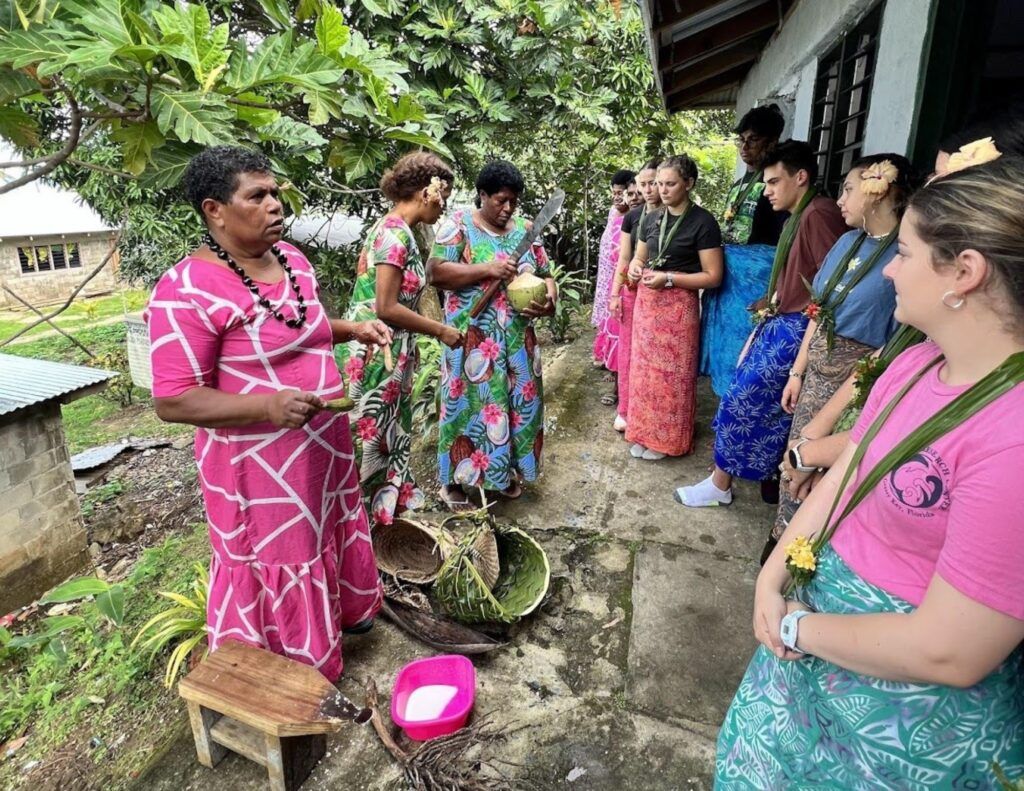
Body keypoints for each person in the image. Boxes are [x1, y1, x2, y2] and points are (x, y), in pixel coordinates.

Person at [716, 155, 1024, 789]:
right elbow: (848, 474)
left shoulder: (1010, 434)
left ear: (964, 273)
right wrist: (771, 581)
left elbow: (951, 649)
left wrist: (797, 624)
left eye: (905, 254)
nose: (889, 269)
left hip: (906, 711)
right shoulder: (916, 365)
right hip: (814, 640)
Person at [145, 146, 389, 681]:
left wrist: (353, 328)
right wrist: (267, 406)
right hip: (259, 468)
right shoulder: (184, 289)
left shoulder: (293, 261)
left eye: (275, 192)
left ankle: (346, 612)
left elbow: (305, 322)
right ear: (215, 210)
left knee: (328, 528)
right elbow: (173, 399)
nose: (275, 204)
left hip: (321, 449)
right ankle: (295, 662)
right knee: (283, 551)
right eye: (257, 195)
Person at [676, 140, 846, 506]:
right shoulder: (803, 213)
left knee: (742, 401)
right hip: (783, 317)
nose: (766, 191)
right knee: (757, 403)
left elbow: (830, 287)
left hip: (798, 327)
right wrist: (773, 300)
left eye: (772, 182)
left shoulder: (818, 214)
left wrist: (800, 359)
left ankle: (721, 485)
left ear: (800, 177)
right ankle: (750, 480)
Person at [769, 154, 913, 553]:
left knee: (828, 478)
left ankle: (804, 558)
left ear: (877, 191)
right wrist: (797, 372)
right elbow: (818, 310)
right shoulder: (848, 242)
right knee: (795, 462)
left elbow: (894, 342)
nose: (840, 200)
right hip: (816, 371)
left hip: (859, 380)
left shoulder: (903, 256)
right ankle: (779, 545)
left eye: (848, 190)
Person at [336, 153, 464, 526]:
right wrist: (439, 330)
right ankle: (362, 518)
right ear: (428, 192)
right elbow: (386, 307)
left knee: (387, 429)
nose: (445, 206)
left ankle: (384, 509)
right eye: (445, 196)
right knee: (371, 430)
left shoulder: (401, 231)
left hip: (390, 349)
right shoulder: (393, 236)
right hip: (375, 350)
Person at [428, 160, 556, 509]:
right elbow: (436, 273)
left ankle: (502, 476)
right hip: (470, 341)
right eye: (500, 200)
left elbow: (546, 276)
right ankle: (454, 483)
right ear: (482, 195)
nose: (508, 208)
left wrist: (549, 302)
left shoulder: (527, 230)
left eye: (513, 200)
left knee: (516, 409)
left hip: (516, 343)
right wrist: (488, 268)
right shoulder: (458, 226)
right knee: (465, 410)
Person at [623, 155, 723, 459]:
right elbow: (639, 257)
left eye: (670, 184)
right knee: (645, 374)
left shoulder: (703, 222)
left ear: (689, 184)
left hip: (678, 307)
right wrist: (634, 269)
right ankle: (643, 433)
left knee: (671, 377)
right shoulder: (650, 218)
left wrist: (669, 278)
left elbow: (713, 276)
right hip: (648, 304)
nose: (662, 190)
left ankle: (667, 441)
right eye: (658, 184)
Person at [700, 104, 788, 396]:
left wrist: (775, 292)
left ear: (772, 142)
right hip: (729, 283)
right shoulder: (740, 184)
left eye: (753, 139)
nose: (745, 146)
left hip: (758, 282)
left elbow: (784, 244)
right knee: (725, 346)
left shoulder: (777, 187)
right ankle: (725, 402)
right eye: (742, 140)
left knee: (749, 349)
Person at [608, 157, 662, 433]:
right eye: (643, 183)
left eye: (654, 183)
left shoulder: (673, 215)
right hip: (632, 290)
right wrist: (615, 293)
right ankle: (626, 409)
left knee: (652, 356)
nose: (648, 189)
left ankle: (649, 413)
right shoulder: (632, 216)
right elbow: (624, 259)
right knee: (628, 352)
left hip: (660, 294)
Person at [592, 169, 635, 390]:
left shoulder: (634, 216)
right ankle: (609, 360)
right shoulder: (614, 212)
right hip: (608, 271)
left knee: (620, 321)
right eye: (615, 193)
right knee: (607, 319)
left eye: (622, 193)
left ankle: (617, 372)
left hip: (624, 274)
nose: (617, 197)